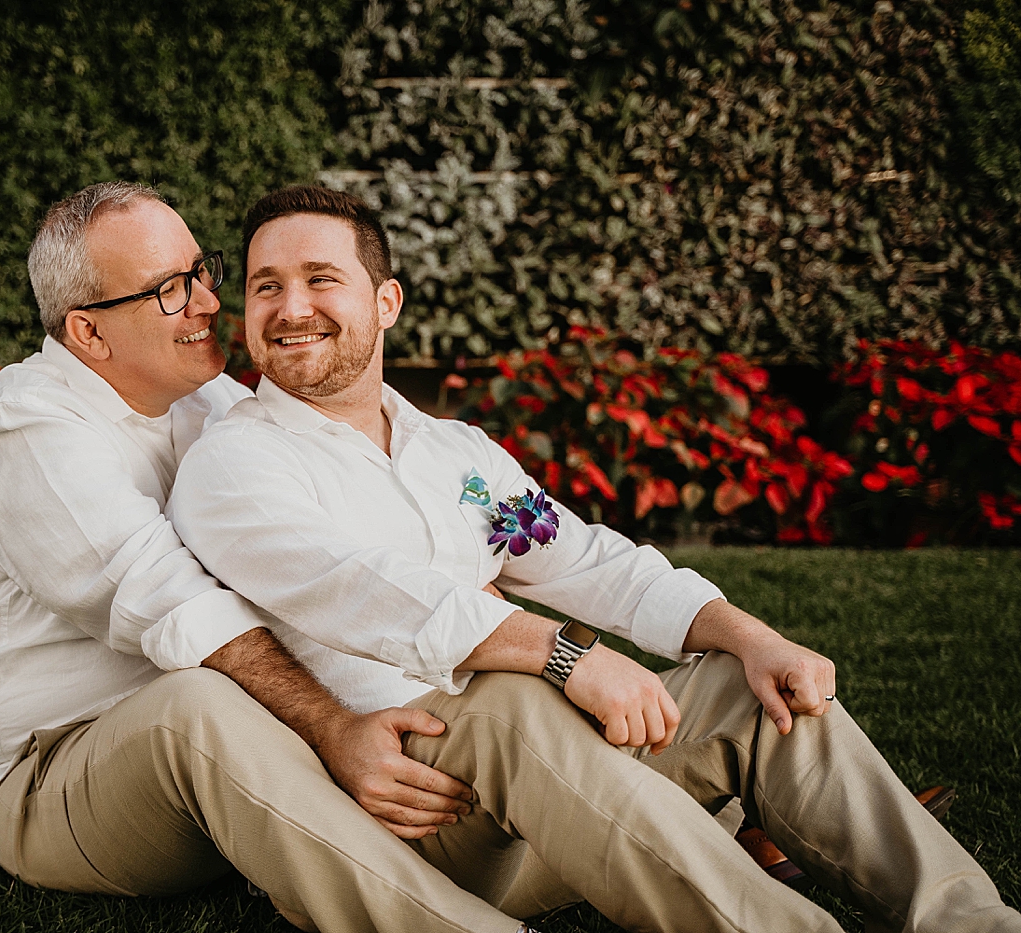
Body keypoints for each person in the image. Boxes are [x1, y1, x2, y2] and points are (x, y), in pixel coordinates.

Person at [168, 184, 1021, 933]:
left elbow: (582, 558)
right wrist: (568, 655)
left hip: (555, 784)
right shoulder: (235, 462)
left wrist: (748, 634)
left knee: (742, 687)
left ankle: (973, 922)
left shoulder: (452, 452)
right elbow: (377, 593)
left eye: (321, 279)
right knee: (509, 701)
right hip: (421, 812)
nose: (289, 307)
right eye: (265, 285)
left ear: (386, 300)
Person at [0, 180, 575, 933]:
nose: (211, 302)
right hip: (57, 771)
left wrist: (477, 608)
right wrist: (332, 726)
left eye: (202, 271)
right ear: (88, 332)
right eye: (171, 290)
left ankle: (676, 816)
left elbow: (327, 554)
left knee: (456, 703)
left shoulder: (207, 405)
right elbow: (172, 600)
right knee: (196, 705)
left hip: (248, 751)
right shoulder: (26, 427)